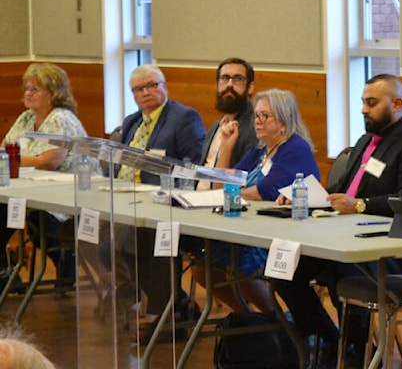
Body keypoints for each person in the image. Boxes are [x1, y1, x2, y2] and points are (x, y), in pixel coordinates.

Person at [274, 74, 402, 369]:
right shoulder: (365, 141)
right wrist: (305, 198)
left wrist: (361, 205)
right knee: (283, 267)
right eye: (363, 102)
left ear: (398, 103)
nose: (364, 109)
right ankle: (328, 338)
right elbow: (343, 194)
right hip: (345, 237)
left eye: (372, 103)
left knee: (342, 269)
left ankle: (355, 351)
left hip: (392, 249)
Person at [102, 65, 206, 341]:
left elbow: (193, 165)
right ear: (133, 94)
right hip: (127, 200)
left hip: (167, 205)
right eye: (139, 89)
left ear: (164, 86)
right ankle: (177, 304)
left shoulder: (183, 117)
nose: (146, 92)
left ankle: (164, 314)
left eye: (152, 85)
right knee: (108, 246)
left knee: (139, 240)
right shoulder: (132, 121)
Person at [193, 88, 319, 313]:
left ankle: (275, 321)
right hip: (250, 228)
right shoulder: (260, 151)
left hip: (280, 235)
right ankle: (248, 317)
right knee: (203, 265)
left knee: (241, 266)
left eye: (265, 116)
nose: (258, 122)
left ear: (284, 121)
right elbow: (222, 184)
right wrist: (227, 144)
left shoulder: (294, 149)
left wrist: (230, 192)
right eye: (256, 116)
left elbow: (264, 192)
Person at [0, 63, 87, 286]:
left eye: (35, 89)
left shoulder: (61, 119)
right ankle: (6, 272)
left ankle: (7, 275)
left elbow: (48, 161)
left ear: (53, 94)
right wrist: (14, 160)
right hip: (28, 191)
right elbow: (4, 152)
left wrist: (14, 161)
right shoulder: (26, 118)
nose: (27, 94)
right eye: (26, 89)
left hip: (65, 197)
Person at [196, 58, 259, 189]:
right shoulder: (216, 126)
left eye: (238, 79)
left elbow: (246, 180)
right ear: (217, 85)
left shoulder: (256, 128)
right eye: (224, 78)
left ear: (250, 87)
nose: (229, 84)